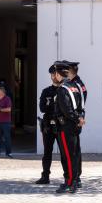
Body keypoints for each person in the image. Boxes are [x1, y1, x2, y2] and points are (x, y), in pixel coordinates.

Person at [53, 62, 84, 193]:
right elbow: (81, 106)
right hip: (75, 125)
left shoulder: (62, 89)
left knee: (68, 155)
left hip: (66, 126)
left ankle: (71, 181)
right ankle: (74, 179)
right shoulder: (76, 86)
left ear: (58, 74)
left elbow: (66, 109)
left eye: (55, 73)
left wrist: (76, 118)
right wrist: (80, 118)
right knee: (75, 153)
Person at [36, 65, 61, 184]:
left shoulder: (64, 90)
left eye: (56, 74)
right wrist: (53, 105)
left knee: (65, 152)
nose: (54, 76)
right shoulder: (46, 91)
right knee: (47, 152)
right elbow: (42, 108)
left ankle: (69, 177)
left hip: (61, 125)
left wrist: (51, 105)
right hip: (48, 126)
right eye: (52, 74)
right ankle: (45, 176)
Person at [64, 60, 87, 189]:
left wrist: (80, 117)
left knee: (74, 151)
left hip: (74, 120)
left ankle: (76, 177)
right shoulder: (78, 83)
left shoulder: (76, 84)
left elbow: (81, 103)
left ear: (70, 72)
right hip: (78, 119)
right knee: (75, 150)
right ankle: (76, 176)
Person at [0, 86, 13, 158]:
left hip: (6, 122)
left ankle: (8, 153)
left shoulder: (7, 99)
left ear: (1, 92)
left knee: (7, 137)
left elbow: (9, 109)